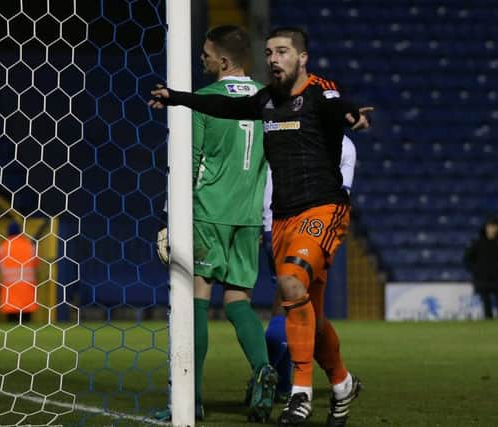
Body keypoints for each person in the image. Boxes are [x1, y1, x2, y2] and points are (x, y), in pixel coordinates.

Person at [150, 26, 372, 426]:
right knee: (308, 316)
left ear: (302, 57)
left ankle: (295, 395)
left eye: (283, 52)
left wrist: (353, 115)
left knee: (280, 285)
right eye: (268, 52)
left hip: (316, 209)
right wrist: (176, 98)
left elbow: (338, 106)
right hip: (274, 216)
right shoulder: (265, 99)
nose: (274, 59)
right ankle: (340, 383)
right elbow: (227, 109)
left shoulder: (321, 92)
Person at [154, 25, 277, 422]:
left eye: (207, 54)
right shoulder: (266, 99)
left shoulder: (204, 101)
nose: (202, 58)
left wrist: (174, 221)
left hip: (207, 212)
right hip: (248, 216)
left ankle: (192, 396)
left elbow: (190, 164)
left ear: (224, 61)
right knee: (239, 300)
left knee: (197, 301)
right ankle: (262, 371)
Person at [260, 135, 357, 403]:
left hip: (272, 225)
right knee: (302, 311)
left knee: (289, 306)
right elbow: (342, 194)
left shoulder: (283, 128)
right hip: (310, 229)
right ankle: (277, 381)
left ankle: (281, 382)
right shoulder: (345, 144)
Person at [463, 216, 498, 319]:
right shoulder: (477, 242)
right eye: (490, 226)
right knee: (486, 301)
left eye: (494, 227)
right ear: (486, 228)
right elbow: (467, 259)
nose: (492, 229)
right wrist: (476, 270)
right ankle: (488, 321)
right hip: (482, 277)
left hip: (497, 277)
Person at [0, 221, 39, 323]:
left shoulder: (2, 248)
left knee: (12, 323)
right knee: (26, 322)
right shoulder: (30, 247)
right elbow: (36, 263)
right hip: (27, 290)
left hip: (10, 291)